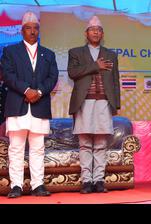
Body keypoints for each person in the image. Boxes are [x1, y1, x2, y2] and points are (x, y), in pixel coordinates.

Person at [1, 11, 58, 198]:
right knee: (16, 148)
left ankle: (38, 185)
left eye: (35, 28)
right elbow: (8, 76)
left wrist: (39, 92)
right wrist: (27, 90)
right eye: (28, 28)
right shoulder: (10, 52)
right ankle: (16, 186)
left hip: (40, 105)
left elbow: (53, 77)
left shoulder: (48, 54)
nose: (32, 31)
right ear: (21, 31)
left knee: (38, 148)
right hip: (17, 105)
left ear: (39, 31)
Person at [67, 16, 120, 194]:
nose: (96, 31)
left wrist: (116, 104)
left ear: (102, 33)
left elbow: (115, 80)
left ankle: (98, 181)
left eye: (99, 29)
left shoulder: (111, 54)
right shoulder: (75, 52)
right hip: (84, 102)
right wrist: (95, 66)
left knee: (100, 144)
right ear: (86, 33)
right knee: (84, 144)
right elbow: (73, 73)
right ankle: (86, 182)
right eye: (92, 29)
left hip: (104, 102)